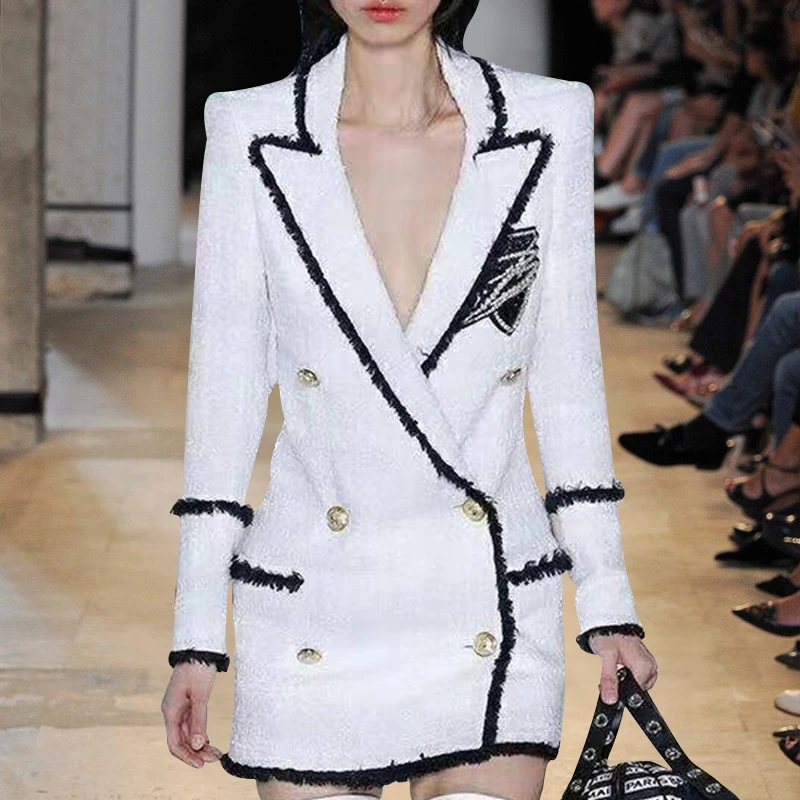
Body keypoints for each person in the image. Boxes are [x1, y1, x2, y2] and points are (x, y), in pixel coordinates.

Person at [160, 2, 658, 799]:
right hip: (317, 605)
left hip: (486, 604)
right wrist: (196, 637)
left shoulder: (547, 120)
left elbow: (568, 379)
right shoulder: (250, 131)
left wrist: (609, 603)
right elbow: (223, 399)